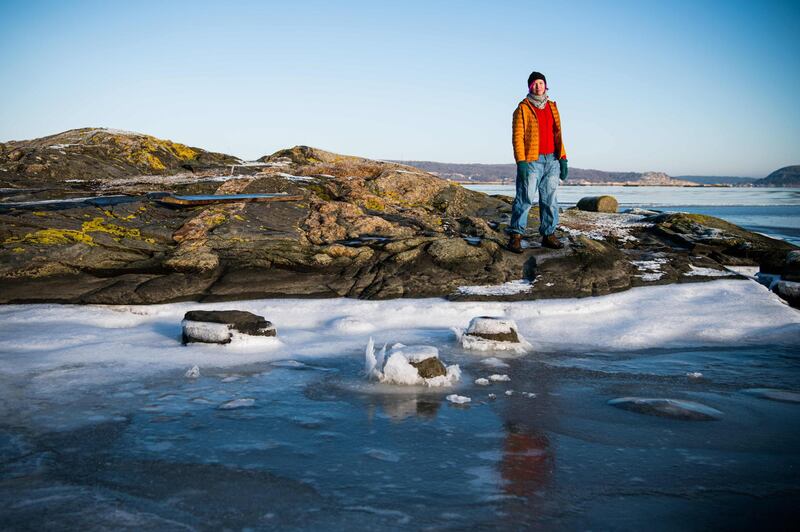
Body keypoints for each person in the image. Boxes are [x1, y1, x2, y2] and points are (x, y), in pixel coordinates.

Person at [507, 71, 568, 253]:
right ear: (529, 86)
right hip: (532, 160)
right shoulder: (522, 109)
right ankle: (516, 236)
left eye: (541, 83)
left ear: (546, 86)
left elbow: (558, 135)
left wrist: (563, 158)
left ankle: (548, 235)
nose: (538, 86)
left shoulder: (552, 107)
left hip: (552, 160)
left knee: (550, 200)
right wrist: (521, 162)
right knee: (525, 198)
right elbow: (517, 138)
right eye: (534, 83)